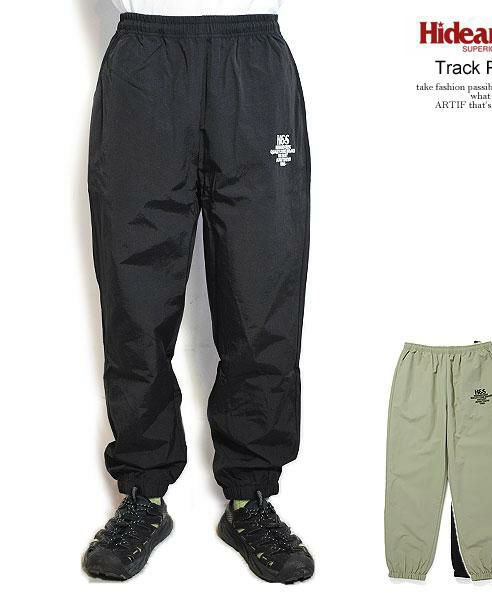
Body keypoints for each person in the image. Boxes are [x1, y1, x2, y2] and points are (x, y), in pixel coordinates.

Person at [82, 0, 313, 584]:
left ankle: (250, 499)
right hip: (144, 62)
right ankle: (143, 495)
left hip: (254, 63)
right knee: (135, 298)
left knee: (264, 297)